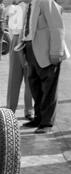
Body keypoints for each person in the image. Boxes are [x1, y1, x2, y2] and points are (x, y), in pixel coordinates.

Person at [20, 0, 68, 133]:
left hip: (47, 52)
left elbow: (57, 27)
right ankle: (39, 118)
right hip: (31, 50)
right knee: (35, 87)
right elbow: (26, 29)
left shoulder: (45, 1)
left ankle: (47, 123)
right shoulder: (29, 5)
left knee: (49, 88)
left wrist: (56, 51)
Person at [6, 0, 33, 119]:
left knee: (30, 78)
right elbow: (13, 29)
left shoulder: (36, 6)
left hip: (32, 42)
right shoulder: (16, 8)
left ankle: (29, 110)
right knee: (15, 78)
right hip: (18, 40)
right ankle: (11, 108)